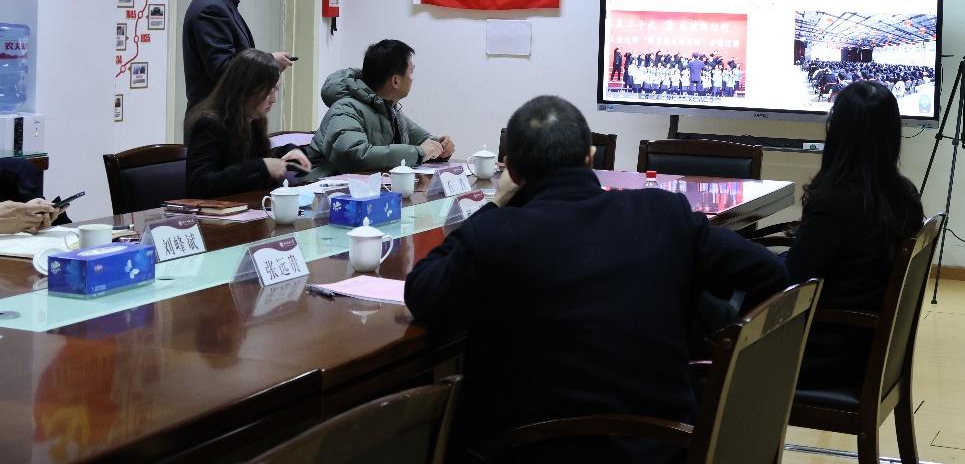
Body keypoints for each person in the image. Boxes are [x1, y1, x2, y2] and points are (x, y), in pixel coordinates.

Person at [404, 95, 787, 464]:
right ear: (589, 158)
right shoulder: (662, 213)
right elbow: (769, 273)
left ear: (512, 172)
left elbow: (423, 293)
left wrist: (493, 205)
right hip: (667, 448)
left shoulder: (497, 233)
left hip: (530, 449)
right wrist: (710, 342)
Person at [783, 81, 925, 389]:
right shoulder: (904, 194)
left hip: (823, 350)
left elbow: (792, 280)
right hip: (865, 346)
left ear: (838, 134)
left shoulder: (837, 202)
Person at [305, 39, 454, 179]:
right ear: (395, 81)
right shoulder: (345, 109)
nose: (412, 78)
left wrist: (440, 146)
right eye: (411, 72)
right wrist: (420, 152)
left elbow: (422, 141)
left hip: (366, 190)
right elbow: (355, 156)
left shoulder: (390, 109)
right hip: (321, 192)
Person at [182, 0, 293, 114]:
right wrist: (270, 61)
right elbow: (224, 71)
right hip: (215, 120)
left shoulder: (221, 4)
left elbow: (236, 60)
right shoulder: (211, 8)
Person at [184, 50, 311, 198]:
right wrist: (261, 167)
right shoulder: (208, 125)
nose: (273, 99)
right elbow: (200, 186)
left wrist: (289, 152)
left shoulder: (253, 120)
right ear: (247, 89)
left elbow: (257, 159)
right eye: (269, 91)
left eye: (275, 90)